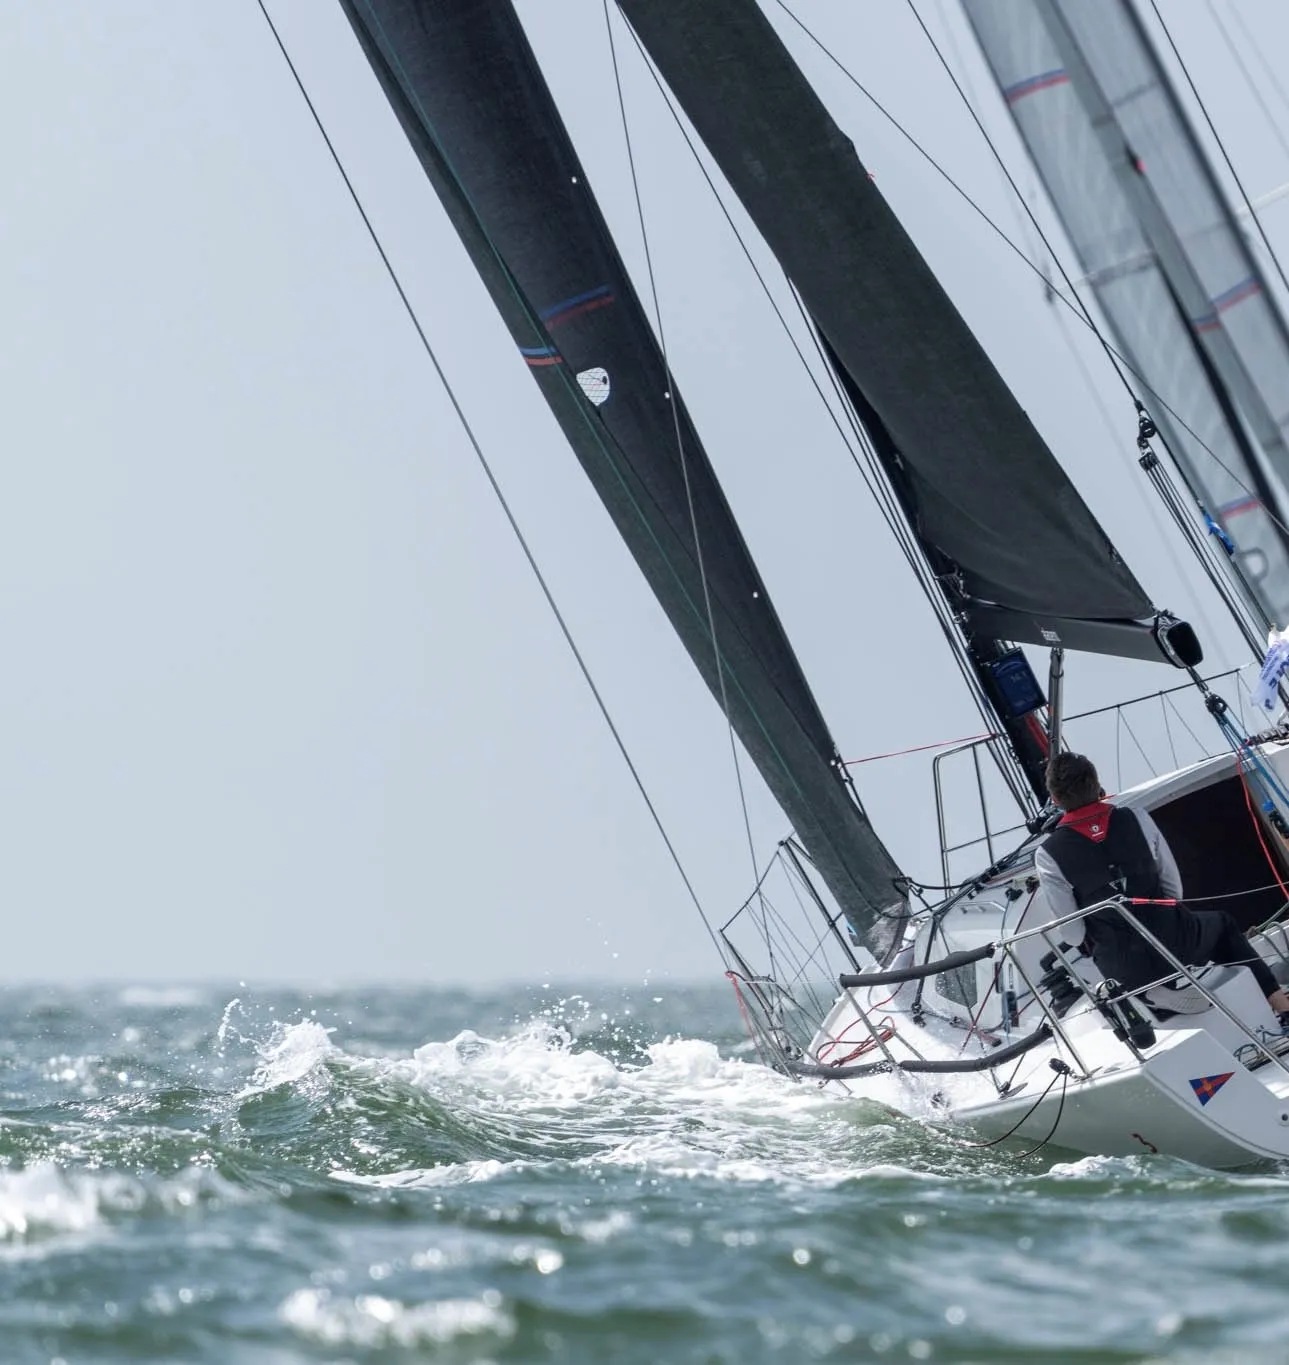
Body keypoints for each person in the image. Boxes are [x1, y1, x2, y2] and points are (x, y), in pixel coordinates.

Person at [1035, 752, 1289, 1017]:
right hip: (1175, 940)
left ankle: (1151, 992)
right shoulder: (1135, 817)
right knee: (1221, 926)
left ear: (1055, 799)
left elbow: (1073, 934)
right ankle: (1280, 1004)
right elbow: (1173, 891)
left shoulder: (1048, 854)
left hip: (1123, 963)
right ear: (1097, 784)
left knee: (1127, 964)